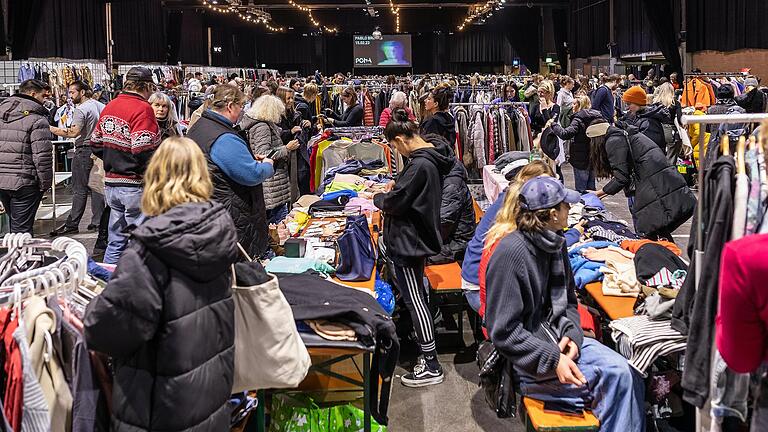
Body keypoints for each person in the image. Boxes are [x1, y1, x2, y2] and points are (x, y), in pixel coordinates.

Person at [84, 136, 239, 431]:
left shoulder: (150, 246)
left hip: (159, 402)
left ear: (154, 176)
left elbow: (110, 329)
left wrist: (90, 310)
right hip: (209, 391)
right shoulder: (218, 230)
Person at [484, 176, 645, 432]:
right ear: (551, 214)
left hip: (555, 340)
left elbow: (568, 301)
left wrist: (572, 335)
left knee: (630, 373)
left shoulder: (554, 245)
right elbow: (503, 331)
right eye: (565, 205)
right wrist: (553, 358)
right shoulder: (511, 254)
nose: (570, 209)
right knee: (617, 381)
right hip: (527, 359)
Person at [373, 109, 454, 387]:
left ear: (400, 140)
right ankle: (426, 352)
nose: (396, 152)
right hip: (416, 236)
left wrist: (380, 198)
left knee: (415, 299)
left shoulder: (420, 165)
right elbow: (409, 193)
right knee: (416, 295)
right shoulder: (430, 156)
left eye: (394, 146)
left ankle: (431, 363)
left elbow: (399, 201)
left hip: (409, 240)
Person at [187, 84, 275, 259]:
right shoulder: (223, 136)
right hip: (231, 214)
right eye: (240, 106)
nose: (242, 111)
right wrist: (267, 165)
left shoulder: (199, 127)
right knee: (241, 273)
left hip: (210, 209)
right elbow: (251, 175)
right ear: (230, 106)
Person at [461, 160, 554, 313]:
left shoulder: (511, 200)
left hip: (479, 282)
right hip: (479, 290)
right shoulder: (518, 209)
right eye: (539, 183)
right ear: (524, 179)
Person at [91, 67, 160, 264]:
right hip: (134, 184)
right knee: (141, 241)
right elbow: (143, 149)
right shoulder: (143, 108)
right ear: (146, 85)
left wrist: (115, 161)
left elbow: (95, 143)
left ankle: (106, 282)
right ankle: (137, 286)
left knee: (116, 240)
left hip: (112, 184)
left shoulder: (110, 106)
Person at [587, 121, 696, 239]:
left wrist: (599, 193)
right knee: (657, 231)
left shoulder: (614, 141)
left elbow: (621, 177)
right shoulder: (621, 135)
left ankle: (663, 255)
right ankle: (667, 255)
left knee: (651, 231)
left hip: (652, 187)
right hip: (658, 183)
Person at [49, 81, 105, 236]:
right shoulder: (100, 106)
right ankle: (98, 222)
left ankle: (72, 224)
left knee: (79, 189)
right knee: (97, 188)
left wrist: (50, 128)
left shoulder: (81, 109)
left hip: (84, 150)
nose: (70, 96)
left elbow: (73, 133)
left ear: (82, 92)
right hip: (100, 150)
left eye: (72, 92)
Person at [0, 79, 53, 235]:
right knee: (22, 231)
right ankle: (24, 259)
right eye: (43, 96)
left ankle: (13, 257)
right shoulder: (37, 120)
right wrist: (45, 184)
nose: (45, 100)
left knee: (15, 227)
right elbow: (42, 157)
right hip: (25, 182)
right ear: (32, 94)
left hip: (2, 180)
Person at [241, 94, 295, 224]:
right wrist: (286, 148)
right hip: (272, 182)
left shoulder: (262, 124)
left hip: (273, 182)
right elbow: (262, 153)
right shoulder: (262, 127)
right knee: (278, 226)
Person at [427, 134, 476, 265]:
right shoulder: (443, 174)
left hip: (455, 245)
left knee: (401, 253)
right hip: (446, 239)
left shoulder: (451, 185)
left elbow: (442, 226)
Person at [548, 95, 603, 193]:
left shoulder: (578, 119)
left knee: (581, 190)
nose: (572, 106)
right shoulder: (598, 118)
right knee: (591, 189)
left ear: (579, 105)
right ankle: (593, 206)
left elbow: (565, 134)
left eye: (574, 104)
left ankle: (584, 206)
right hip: (594, 157)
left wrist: (553, 124)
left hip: (580, 158)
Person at [621, 85, 669, 152]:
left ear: (638, 103)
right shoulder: (639, 116)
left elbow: (647, 149)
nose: (626, 108)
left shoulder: (649, 122)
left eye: (628, 104)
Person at [419, 83, 456, 147]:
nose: (425, 100)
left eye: (429, 99)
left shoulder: (431, 122)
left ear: (436, 104)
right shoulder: (449, 118)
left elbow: (427, 147)